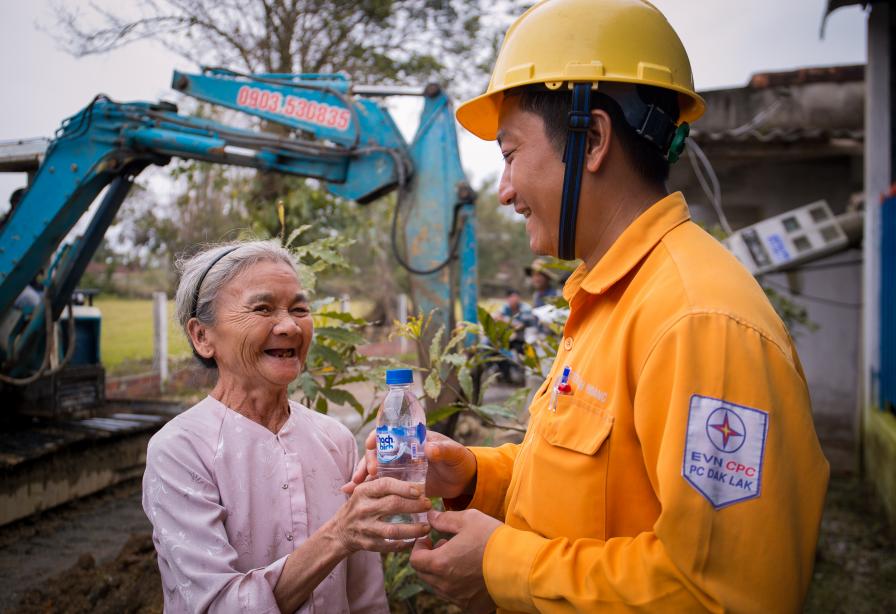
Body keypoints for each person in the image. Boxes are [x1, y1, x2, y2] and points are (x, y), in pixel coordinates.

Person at [348, 0, 828, 611]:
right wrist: (474, 473)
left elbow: (724, 593)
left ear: (592, 140)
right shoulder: (612, 297)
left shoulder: (698, 322)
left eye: (511, 154)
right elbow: (588, 484)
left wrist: (501, 564)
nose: (505, 191)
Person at [142, 240, 431, 613]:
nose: (290, 325)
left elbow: (365, 595)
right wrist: (338, 535)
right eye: (262, 308)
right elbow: (216, 606)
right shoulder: (181, 449)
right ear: (202, 337)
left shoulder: (334, 439)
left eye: (300, 308)